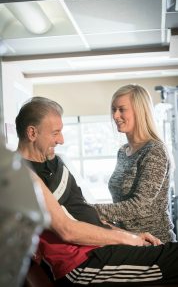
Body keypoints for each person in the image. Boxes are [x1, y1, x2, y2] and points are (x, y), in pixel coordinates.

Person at [15, 96, 178, 286]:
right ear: (32, 133)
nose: (61, 139)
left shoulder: (56, 163)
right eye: (55, 133)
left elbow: (85, 212)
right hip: (80, 264)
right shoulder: (21, 175)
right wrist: (128, 238)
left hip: (98, 249)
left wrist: (131, 236)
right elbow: (67, 230)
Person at [94, 84, 177, 243]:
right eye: (113, 109)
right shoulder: (123, 152)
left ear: (140, 111)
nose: (115, 115)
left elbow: (139, 206)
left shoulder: (154, 150)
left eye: (121, 109)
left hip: (156, 244)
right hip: (130, 240)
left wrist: (89, 210)